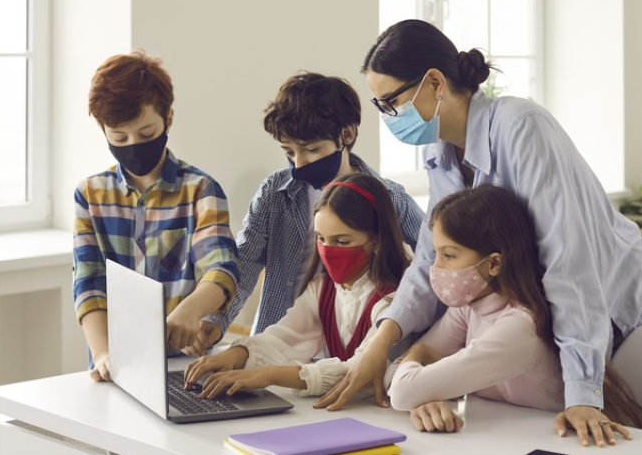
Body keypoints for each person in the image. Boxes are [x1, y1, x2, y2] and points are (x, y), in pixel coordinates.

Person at [315, 19, 642, 448]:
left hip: (619, 318)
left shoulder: (522, 128)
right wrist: (384, 337)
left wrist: (584, 392)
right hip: (544, 323)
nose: (390, 119)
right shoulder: (440, 149)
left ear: (434, 83)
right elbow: (431, 256)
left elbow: (568, 262)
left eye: (391, 103)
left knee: (640, 438)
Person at [385, 185, 642, 440]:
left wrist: (421, 370)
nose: (436, 267)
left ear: (494, 263)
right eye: (436, 253)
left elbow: (403, 391)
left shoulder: (520, 328)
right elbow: (393, 378)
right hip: (503, 440)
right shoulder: (469, 309)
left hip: (558, 444)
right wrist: (427, 397)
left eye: (449, 255)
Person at [190, 72, 424, 355]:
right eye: (288, 152)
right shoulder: (274, 191)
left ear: (346, 135)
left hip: (352, 354)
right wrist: (217, 318)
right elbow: (246, 262)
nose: (299, 164)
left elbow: (426, 268)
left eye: (312, 150)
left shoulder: (389, 198)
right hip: (274, 346)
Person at [72, 50, 240, 382]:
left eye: (146, 134)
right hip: (113, 367)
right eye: (119, 138)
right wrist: (103, 354)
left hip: (184, 368)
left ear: (168, 119)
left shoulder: (200, 190)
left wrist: (189, 311)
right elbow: (88, 284)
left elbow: (221, 269)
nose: (133, 145)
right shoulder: (90, 194)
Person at [183, 173, 411, 398]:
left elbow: (358, 371)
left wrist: (270, 375)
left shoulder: (396, 300)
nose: (327, 250)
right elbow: (285, 337)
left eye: (341, 241)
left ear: (377, 240)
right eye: (321, 239)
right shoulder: (323, 288)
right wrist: (235, 354)